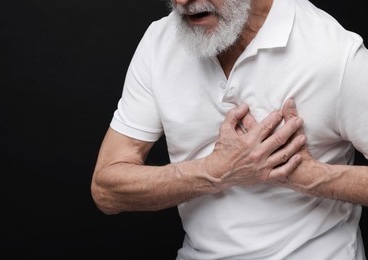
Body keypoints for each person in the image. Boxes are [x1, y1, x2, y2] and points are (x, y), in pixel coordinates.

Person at [91, 0, 368, 259]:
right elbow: (106, 190)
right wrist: (217, 171)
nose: (181, 1)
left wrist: (312, 177)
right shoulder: (159, 42)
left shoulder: (335, 53)